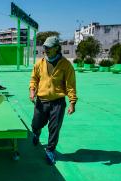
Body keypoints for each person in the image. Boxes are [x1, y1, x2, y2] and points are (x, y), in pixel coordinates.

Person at [29, 36, 78, 165]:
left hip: (58, 102)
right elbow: (34, 78)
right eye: (45, 47)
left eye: (49, 47)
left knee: (54, 128)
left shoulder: (66, 65)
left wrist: (72, 102)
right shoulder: (39, 63)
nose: (46, 50)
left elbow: (70, 85)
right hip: (41, 100)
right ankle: (37, 132)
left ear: (57, 48)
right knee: (36, 123)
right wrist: (32, 90)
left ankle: (50, 150)